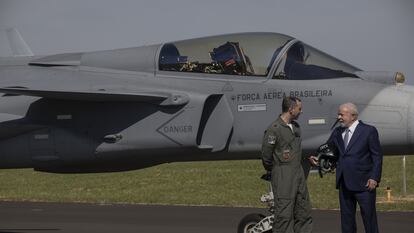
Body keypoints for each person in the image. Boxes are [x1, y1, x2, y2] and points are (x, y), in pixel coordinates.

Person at [327, 103, 382, 233]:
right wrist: (319, 159)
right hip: (344, 183)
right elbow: (329, 150)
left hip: (365, 184)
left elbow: (377, 156)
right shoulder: (337, 132)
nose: (338, 117)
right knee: (347, 222)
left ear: (353, 116)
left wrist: (374, 177)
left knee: (369, 221)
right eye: (338, 114)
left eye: (342, 114)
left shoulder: (369, 131)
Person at [261, 96, 313, 233]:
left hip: (298, 174)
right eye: (299, 109)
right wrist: (279, 170)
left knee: (303, 211)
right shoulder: (274, 129)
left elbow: (295, 149)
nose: (301, 112)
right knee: (284, 214)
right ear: (291, 109)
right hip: (283, 175)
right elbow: (266, 156)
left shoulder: (296, 127)